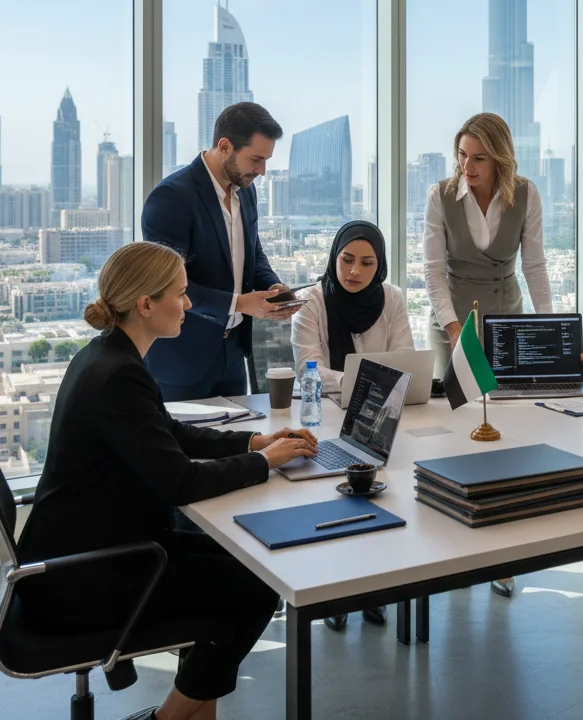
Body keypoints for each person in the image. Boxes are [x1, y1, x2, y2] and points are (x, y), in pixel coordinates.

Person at [15, 241, 317, 720]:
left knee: (248, 567)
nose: (190, 303)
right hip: (85, 577)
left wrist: (254, 444)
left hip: (82, 553)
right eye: (180, 293)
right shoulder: (118, 375)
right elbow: (178, 482)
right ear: (145, 304)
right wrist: (267, 464)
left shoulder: (106, 357)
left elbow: (169, 434)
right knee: (255, 588)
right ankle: (168, 719)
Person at [424, 111, 552, 598]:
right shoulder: (440, 195)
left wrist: (547, 326)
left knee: (506, 432)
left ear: (499, 158)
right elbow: (433, 270)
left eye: (478, 157)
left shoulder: (526, 193)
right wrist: (454, 327)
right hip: (452, 316)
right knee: (457, 428)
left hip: (508, 317)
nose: (467, 166)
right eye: (461, 155)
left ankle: (503, 554)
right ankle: (454, 546)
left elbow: (535, 264)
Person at [290, 220, 413, 629]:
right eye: (346, 260)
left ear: (379, 267)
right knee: (333, 503)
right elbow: (308, 369)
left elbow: (405, 360)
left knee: (383, 497)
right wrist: (367, 382)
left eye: (366, 263)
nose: (354, 271)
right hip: (323, 416)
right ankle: (334, 594)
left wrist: (363, 383)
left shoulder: (392, 298)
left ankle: (374, 590)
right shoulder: (312, 301)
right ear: (334, 257)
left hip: (379, 420)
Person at [142, 102, 300, 401]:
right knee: (184, 448)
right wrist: (239, 303)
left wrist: (273, 289)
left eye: (266, 160)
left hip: (233, 356)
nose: (262, 171)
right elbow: (165, 285)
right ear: (225, 146)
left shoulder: (247, 192)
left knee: (236, 444)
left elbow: (252, 254)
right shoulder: (171, 197)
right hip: (182, 360)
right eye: (256, 159)